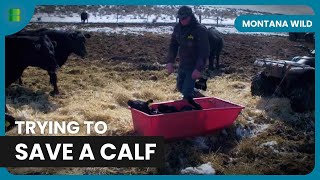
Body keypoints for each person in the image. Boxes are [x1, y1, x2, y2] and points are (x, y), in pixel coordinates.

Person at [166, 6, 210, 100]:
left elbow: (204, 51)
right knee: (180, 87)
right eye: (180, 18)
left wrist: (198, 68)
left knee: (187, 92)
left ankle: (192, 111)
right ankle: (202, 100)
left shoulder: (199, 30)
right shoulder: (178, 28)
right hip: (182, 64)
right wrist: (170, 61)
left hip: (193, 65)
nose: (182, 20)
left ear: (190, 16)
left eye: (184, 18)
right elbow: (173, 45)